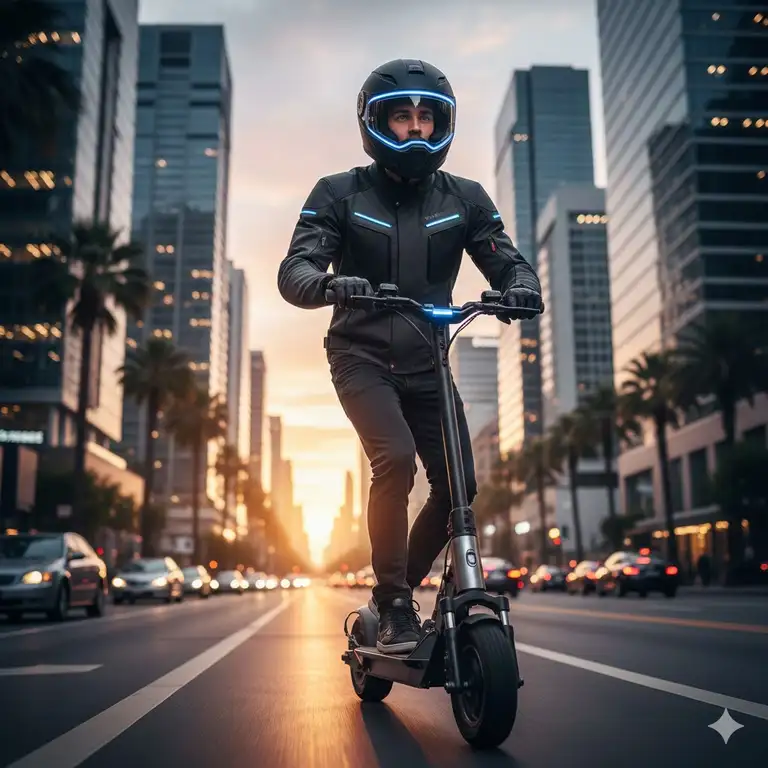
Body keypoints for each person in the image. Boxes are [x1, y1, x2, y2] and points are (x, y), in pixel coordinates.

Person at [277, 59, 542, 654]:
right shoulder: (338, 192)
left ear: (443, 122)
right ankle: (395, 605)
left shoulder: (465, 198)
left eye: (427, 116)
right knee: (394, 459)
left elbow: (508, 260)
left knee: (459, 486)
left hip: (429, 357)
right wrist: (328, 285)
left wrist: (521, 286)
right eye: (403, 117)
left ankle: (398, 591)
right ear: (376, 123)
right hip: (361, 356)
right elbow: (294, 269)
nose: (417, 128)